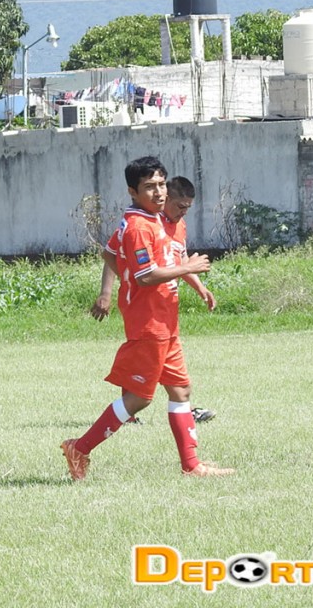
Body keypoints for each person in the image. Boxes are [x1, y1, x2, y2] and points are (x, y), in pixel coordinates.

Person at [62, 156, 234, 479]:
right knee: (139, 399)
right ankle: (79, 448)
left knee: (181, 390)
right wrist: (185, 268)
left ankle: (191, 465)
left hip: (165, 322)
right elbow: (145, 276)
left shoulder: (153, 219)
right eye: (149, 187)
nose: (158, 192)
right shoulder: (140, 227)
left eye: (161, 185)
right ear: (133, 191)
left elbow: (111, 253)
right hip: (149, 324)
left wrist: (194, 284)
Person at [91, 175, 217, 423]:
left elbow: (179, 261)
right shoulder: (143, 224)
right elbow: (111, 253)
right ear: (166, 198)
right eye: (180, 206)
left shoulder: (178, 225)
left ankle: (181, 410)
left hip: (164, 304)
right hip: (143, 305)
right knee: (145, 362)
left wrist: (200, 288)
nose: (183, 212)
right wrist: (110, 290)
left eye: (188, 208)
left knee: (165, 363)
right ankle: (126, 413)